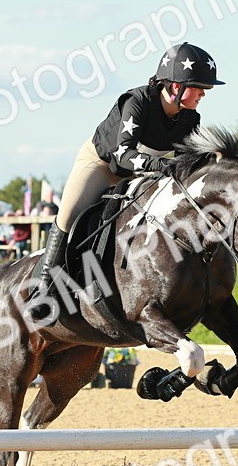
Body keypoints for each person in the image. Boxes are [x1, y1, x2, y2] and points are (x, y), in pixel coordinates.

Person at [25, 42, 223, 323]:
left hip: (138, 174)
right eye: (199, 87)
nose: (204, 93)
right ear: (175, 86)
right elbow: (123, 154)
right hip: (102, 164)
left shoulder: (190, 118)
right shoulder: (138, 101)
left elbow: (186, 169)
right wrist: (162, 165)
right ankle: (43, 289)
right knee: (68, 216)